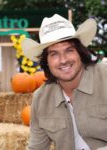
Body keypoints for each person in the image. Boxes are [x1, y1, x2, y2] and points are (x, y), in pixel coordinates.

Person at [21, 14, 107, 150]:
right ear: (46, 62)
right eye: (54, 54)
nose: (63, 60)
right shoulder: (41, 98)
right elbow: (36, 147)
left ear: (80, 52)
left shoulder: (104, 77)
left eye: (69, 50)